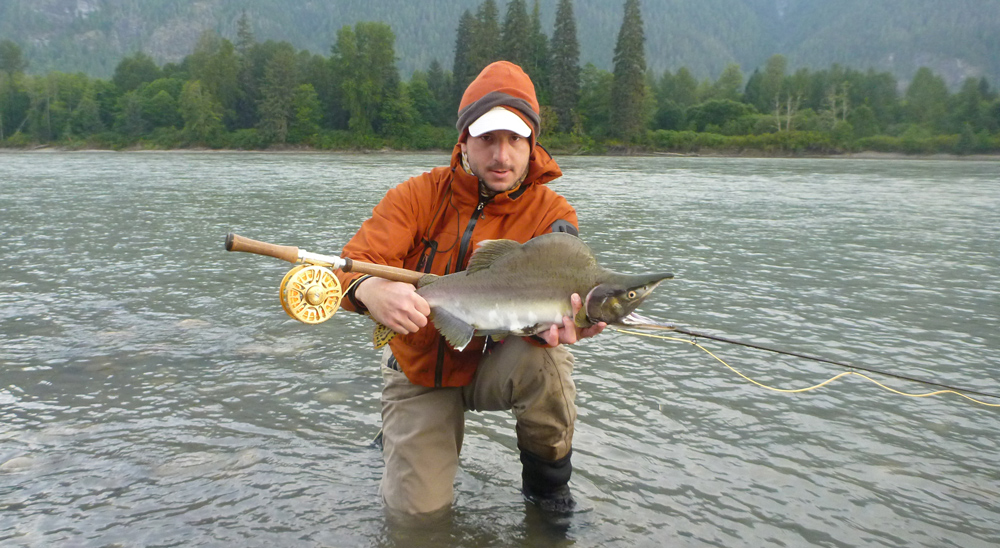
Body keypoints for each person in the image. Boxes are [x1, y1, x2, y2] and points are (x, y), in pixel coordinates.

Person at [334, 60, 605, 516]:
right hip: (419, 371)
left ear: (532, 144)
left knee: (550, 362)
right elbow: (344, 269)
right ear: (464, 142)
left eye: (515, 140)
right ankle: (400, 432)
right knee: (416, 522)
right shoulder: (417, 196)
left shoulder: (551, 215)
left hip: (493, 362)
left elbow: (563, 295)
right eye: (487, 140)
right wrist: (368, 291)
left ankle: (547, 491)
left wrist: (558, 324)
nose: (501, 155)